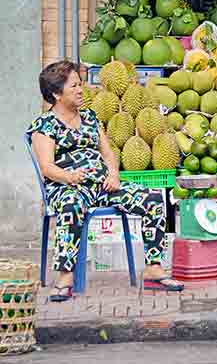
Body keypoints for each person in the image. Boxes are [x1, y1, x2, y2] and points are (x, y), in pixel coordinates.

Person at [26, 60, 184, 302]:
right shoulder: (44, 125)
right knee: (71, 206)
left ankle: (153, 267)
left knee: (153, 198)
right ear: (56, 94)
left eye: (80, 85)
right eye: (74, 87)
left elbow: (108, 152)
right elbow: (47, 167)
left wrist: (113, 174)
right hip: (67, 187)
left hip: (101, 186)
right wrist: (70, 176)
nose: (81, 90)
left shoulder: (89, 116)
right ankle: (65, 276)